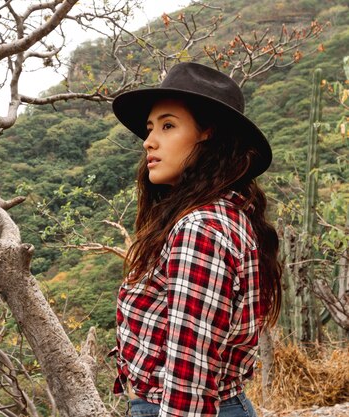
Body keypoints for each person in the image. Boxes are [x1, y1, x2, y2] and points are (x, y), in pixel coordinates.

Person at [109, 62, 282, 417]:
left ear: (207, 134)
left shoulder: (200, 228)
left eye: (168, 126)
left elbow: (191, 376)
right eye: (150, 128)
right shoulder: (225, 215)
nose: (149, 141)